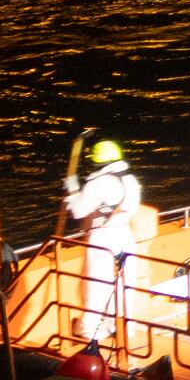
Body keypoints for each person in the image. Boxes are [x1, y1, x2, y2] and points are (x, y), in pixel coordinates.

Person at [68, 139, 156, 362]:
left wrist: (71, 191)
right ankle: (124, 327)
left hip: (102, 237)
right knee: (124, 286)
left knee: (96, 286)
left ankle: (90, 330)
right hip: (125, 236)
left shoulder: (98, 183)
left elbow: (78, 211)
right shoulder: (130, 180)